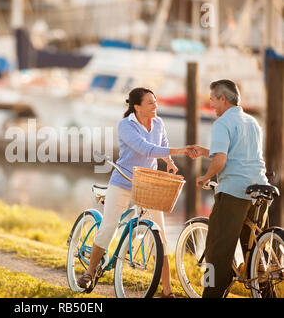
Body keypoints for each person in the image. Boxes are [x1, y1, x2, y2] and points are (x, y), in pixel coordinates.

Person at [77, 87, 196, 297]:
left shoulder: (159, 123)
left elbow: (162, 146)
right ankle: (89, 271)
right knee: (109, 226)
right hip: (122, 181)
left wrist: (169, 161)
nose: (155, 106)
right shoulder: (126, 125)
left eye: (155, 101)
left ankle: (167, 291)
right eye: (150, 102)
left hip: (147, 184)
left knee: (160, 236)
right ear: (137, 106)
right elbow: (146, 149)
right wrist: (181, 150)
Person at [187, 79, 269, 298]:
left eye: (212, 99)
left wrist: (205, 177)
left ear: (223, 99)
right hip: (259, 189)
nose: (211, 104)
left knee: (217, 252)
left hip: (234, 192)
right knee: (255, 254)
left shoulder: (222, 123)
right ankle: (265, 292)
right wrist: (206, 152)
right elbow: (238, 156)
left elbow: (221, 161)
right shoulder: (251, 122)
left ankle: (211, 294)